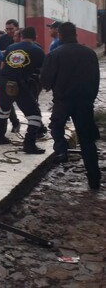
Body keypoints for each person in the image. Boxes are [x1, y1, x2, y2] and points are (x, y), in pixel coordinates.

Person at [40, 22, 101, 190]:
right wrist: (90, 98)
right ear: (76, 34)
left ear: (60, 35)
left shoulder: (55, 54)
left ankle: (61, 151)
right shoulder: (90, 54)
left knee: (56, 126)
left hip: (63, 101)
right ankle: (94, 180)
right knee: (87, 141)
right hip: (84, 102)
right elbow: (96, 80)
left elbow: (45, 82)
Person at [0, 26, 46, 153]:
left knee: (4, 108)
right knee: (35, 115)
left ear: (21, 36)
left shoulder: (11, 47)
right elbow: (43, 71)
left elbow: (2, 66)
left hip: (3, 81)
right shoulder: (38, 50)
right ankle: (29, 144)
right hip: (20, 83)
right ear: (35, 37)